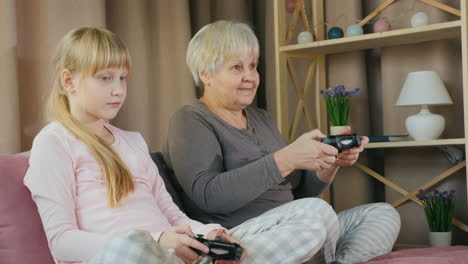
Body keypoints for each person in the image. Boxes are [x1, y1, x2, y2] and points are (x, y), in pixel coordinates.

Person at [163, 20, 401, 264]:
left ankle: (335, 260)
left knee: (382, 213)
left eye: (253, 66)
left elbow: (296, 193)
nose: (250, 77)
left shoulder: (261, 118)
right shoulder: (190, 120)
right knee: (317, 212)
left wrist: (329, 163)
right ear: (206, 73)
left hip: (297, 230)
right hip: (243, 238)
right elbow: (208, 195)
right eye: (236, 67)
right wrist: (286, 159)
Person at [23, 27, 242, 264]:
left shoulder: (133, 142)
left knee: (284, 220)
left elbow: (173, 216)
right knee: (133, 250)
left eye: (123, 77)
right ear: (69, 81)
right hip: (121, 257)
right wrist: (155, 242)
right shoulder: (53, 143)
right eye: (105, 78)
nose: (118, 90)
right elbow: (62, 243)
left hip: (169, 256)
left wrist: (209, 234)